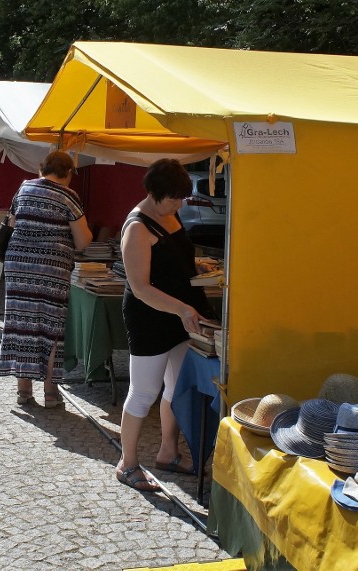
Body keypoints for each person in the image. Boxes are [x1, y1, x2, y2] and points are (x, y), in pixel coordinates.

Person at [115, 158, 218, 491]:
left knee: (175, 387)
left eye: (180, 198)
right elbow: (142, 287)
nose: (179, 204)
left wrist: (196, 266)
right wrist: (181, 308)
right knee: (143, 392)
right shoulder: (136, 227)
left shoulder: (168, 215)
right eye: (173, 198)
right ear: (153, 193)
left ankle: (167, 451)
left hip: (179, 314)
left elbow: (173, 259)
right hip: (151, 318)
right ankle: (127, 463)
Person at [0, 151, 93, 407]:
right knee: (51, 328)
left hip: (18, 266)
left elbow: (14, 221)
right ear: (68, 173)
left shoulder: (24, 188)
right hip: (52, 268)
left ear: (43, 168)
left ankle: (23, 392)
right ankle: (50, 394)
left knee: (22, 324)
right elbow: (83, 240)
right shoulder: (68, 196)